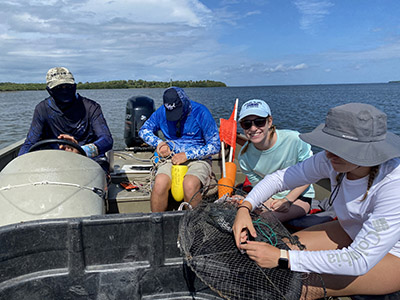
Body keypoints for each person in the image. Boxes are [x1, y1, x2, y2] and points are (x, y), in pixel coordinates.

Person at [232, 103, 400, 298]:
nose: (328, 153)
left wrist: (282, 258)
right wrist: (245, 208)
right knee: (283, 246)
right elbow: (279, 179)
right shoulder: (331, 159)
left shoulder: (393, 183)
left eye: (339, 148)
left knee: (298, 287)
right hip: (351, 229)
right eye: (328, 145)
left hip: (392, 255)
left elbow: (359, 259)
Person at [139, 86, 221, 212]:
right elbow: (143, 131)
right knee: (159, 183)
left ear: (185, 102)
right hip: (170, 158)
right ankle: (158, 224)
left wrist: (187, 155)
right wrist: (160, 144)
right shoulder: (161, 112)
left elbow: (215, 146)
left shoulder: (201, 112)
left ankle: (196, 227)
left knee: (189, 185)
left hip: (198, 159)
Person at [19, 67, 113, 173]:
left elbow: (107, 140)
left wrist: (81, 150)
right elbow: (30, 143)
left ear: (75, 86)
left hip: (89, 159)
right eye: (58, 88)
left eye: (68, 87)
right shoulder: (42, 109)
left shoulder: (91, 107)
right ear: (49, 91)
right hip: (56, 161)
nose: (64, 91)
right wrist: (20, 166)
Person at [238, 99, 315, 222]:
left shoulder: (295, 140)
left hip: (299, 196)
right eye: (247, 124)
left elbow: (310, 173)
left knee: (265, 221)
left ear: (269, 122)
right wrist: (270, 202)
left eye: (259, 122)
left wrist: (288, 200)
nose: (253, 128)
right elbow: (259, 186)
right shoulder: (244, 156)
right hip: (268, 197)